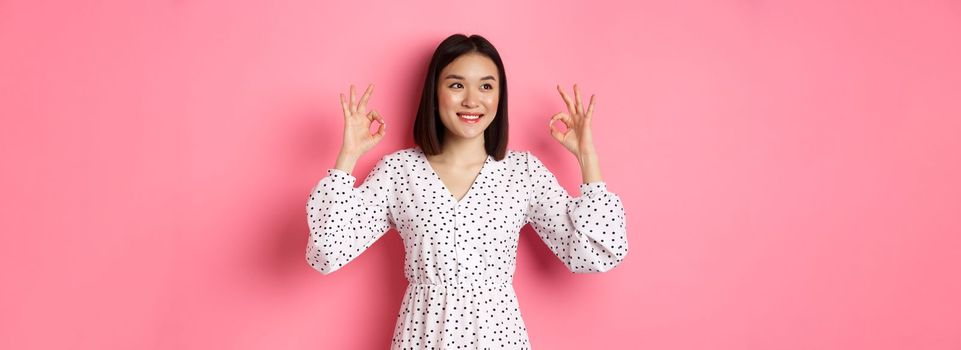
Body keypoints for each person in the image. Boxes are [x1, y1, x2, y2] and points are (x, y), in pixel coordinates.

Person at [306, 33, 628, 349]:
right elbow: (327, 250)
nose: (472, 101)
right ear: (435, 93)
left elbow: (593, 253)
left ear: (499, 97)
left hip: (499, 337)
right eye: (456, 85)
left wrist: (587, 157)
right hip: (423, 336)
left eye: (486, 86)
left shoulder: (523, 173)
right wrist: (348, 156)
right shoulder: (398, 171)